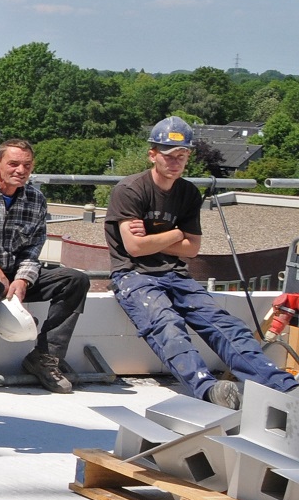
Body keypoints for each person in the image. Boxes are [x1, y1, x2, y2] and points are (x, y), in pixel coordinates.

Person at [108, 118, 298, 409]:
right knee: (166, 323)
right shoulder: (131, 190)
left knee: (224, 325)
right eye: (169, 155)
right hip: (134, 276)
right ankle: (208, 389)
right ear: (152, 154)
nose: (175, 162)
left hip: (176, 274)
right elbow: (135, 248)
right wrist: (175, 233)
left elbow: (192, 249)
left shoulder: (187, 193)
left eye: (181, 156)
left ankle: (283, 387)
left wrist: (155, 238)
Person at [0, 139, 89, 395]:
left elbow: (33, 247)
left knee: (76, 280)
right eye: (13, 164)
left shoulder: (36, 200)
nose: (20, 170)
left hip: (14, 275)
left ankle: (44, 357)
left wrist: (24, 279)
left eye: (27, 165)